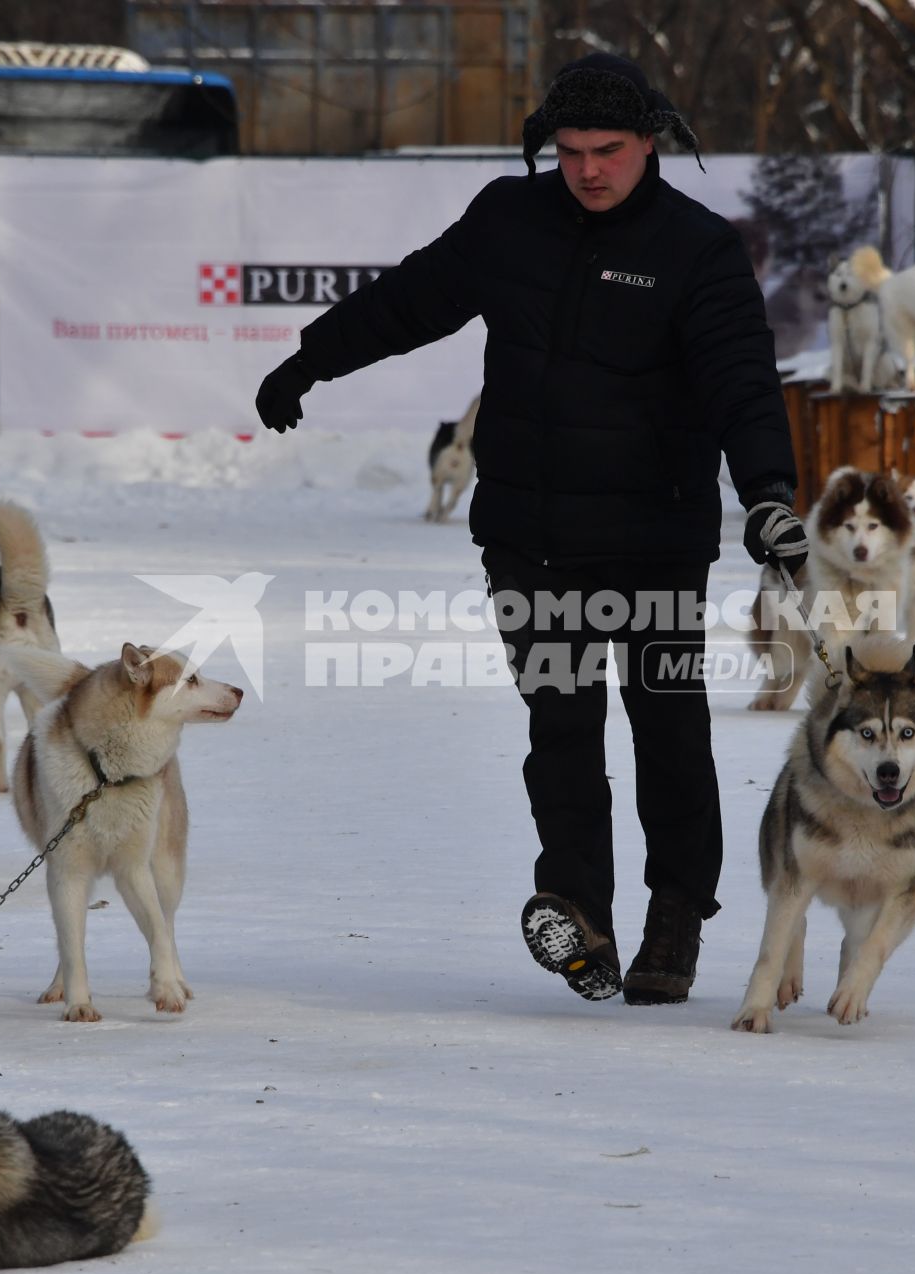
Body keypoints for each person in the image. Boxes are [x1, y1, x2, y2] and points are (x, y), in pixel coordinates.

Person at [255, 52, 810, 1006]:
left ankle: (676, 910)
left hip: (654, 538)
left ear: (650, 146)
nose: (589, 170)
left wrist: (765, 491)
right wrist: (308, 362)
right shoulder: (509, 219)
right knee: (561, 726)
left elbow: (740, 381)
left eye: (609, 150)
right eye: (571, 152)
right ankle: (581, 916)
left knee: (666, 726)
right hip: (528, 533)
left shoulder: (696, 249)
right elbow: (408, 301)